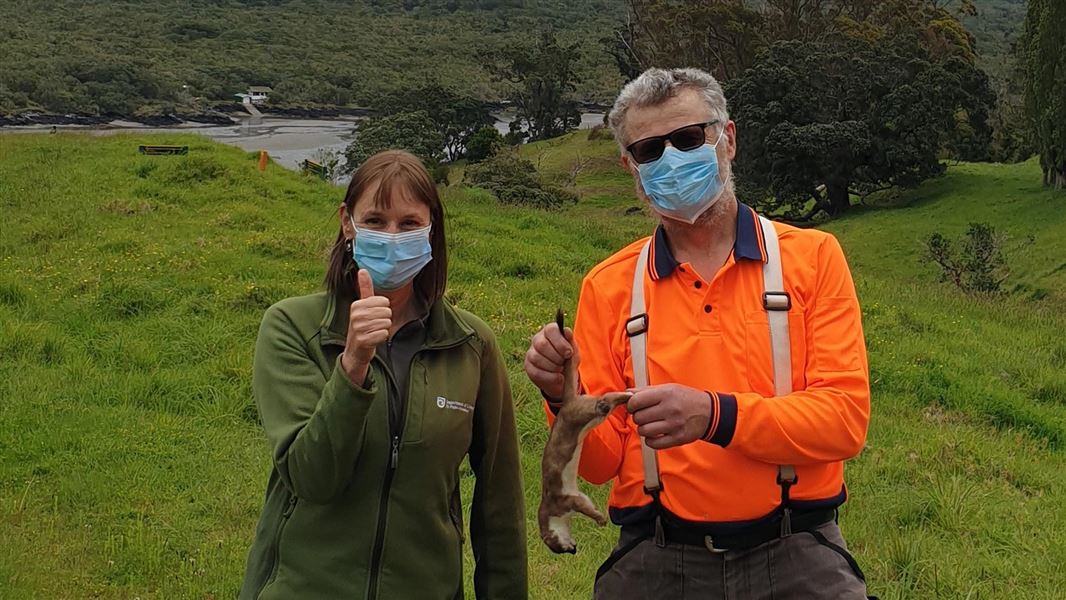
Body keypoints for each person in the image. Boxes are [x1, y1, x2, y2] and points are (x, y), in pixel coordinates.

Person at [524, 68, 872, 599]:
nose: (670, 160)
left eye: (688, 139)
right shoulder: (610, 286)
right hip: (658, 555)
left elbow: (843, 422)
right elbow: (598, 466)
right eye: (648, 151)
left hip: (796, 548)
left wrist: (714, 415)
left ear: (727, 139)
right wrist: (560, 396)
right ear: (630, 168)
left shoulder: (812, 260)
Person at [240, 150, 527, 600]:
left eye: (409, 224)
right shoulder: (292, 327)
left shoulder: (471, 345)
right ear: (347, 223)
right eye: (375, 220)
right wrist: (351, 365)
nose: (392, 237)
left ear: (432, 229)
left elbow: (500, 503)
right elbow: (312, 478)